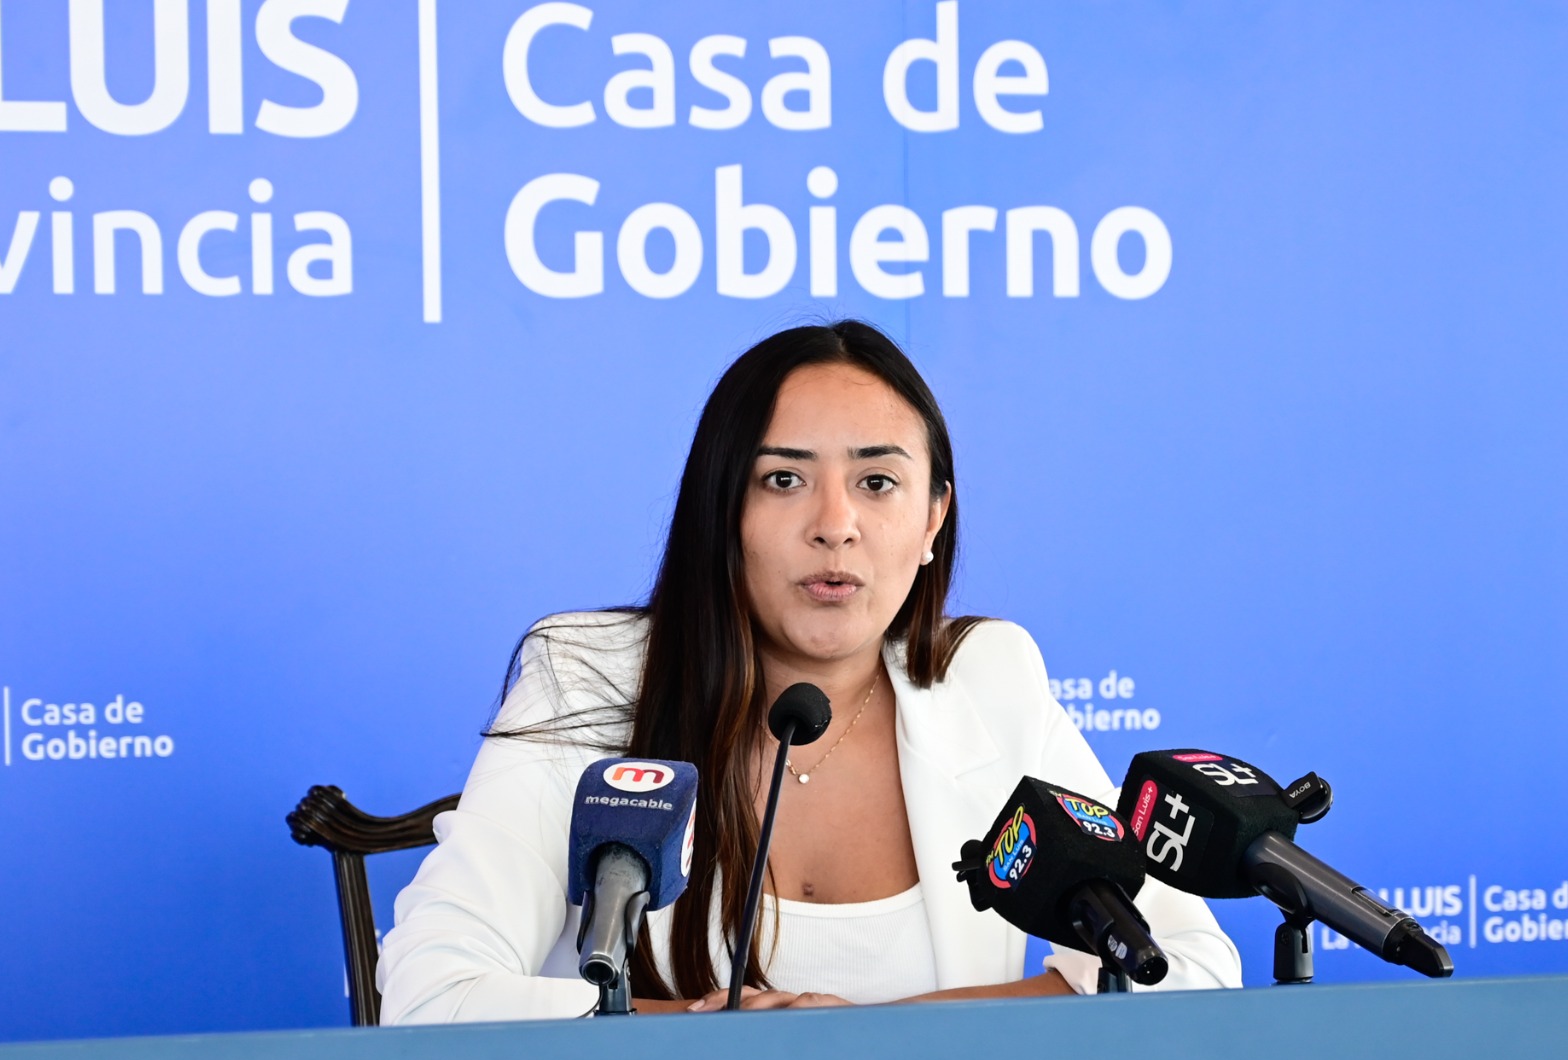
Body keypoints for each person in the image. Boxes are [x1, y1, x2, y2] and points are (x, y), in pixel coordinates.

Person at [377, 320, 1239, 1021]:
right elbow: (432, 991)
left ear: (933, 518)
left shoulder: (988, 680)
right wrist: (721, 1042)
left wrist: (867, 1037)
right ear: (722, 511)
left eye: (878, 482)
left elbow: (1185, 962)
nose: (835, 524)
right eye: (784, 478)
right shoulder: (590, 677)